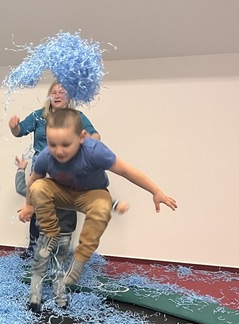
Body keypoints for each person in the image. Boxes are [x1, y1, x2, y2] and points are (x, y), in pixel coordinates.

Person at [27, 108, 177, 310]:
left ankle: (80, 259)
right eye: (53, 144)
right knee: (38, 187)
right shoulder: (47, 155)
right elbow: (33, 180)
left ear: (82, 137)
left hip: (90, 194)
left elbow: (126, 170)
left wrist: (155, 191)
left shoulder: (94, 150)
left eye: (66, 145)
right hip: (62, 194)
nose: (59, 151)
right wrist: (28, 205)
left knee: (102, 206)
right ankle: (51, 234)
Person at [15, 156, 130, 308]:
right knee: (47, 267)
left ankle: (50, 299)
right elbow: (23, 187)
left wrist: (115, 204)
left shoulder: (67, 189)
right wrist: (21, 168)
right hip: (50, 236)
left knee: (49, 267)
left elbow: (95, 199)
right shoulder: (50, 188)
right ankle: (45, 299)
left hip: (58, 236)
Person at [9, 80, 101, 258]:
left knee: (64, 209)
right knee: (38, 206)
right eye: (54, 92)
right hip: (41, 169)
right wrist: (14, 127)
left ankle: (59, 252)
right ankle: (33, 249)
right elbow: (20, 131)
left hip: (65, 169)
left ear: (69, 96)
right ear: (49, 95)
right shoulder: (39, 116)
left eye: (62, 92)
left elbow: (94, 134)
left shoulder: (76, 117)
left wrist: (90, 142)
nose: (57, 95)